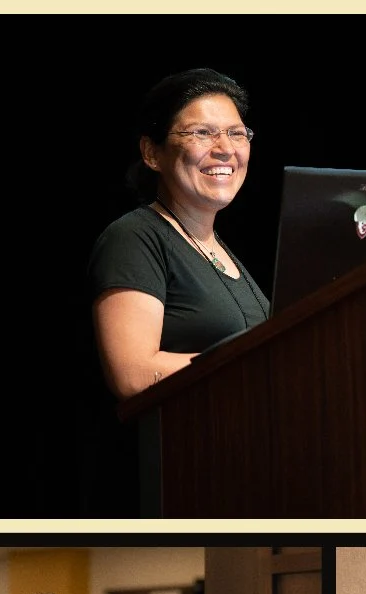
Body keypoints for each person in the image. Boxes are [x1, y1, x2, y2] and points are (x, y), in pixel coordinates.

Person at [88, 68, 269, 402]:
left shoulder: (219, 249)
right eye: (202, 132)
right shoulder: (135, 238)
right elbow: (133, 374)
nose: (225, 148)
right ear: (152, 153)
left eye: (237, 133)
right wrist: (259, 364)